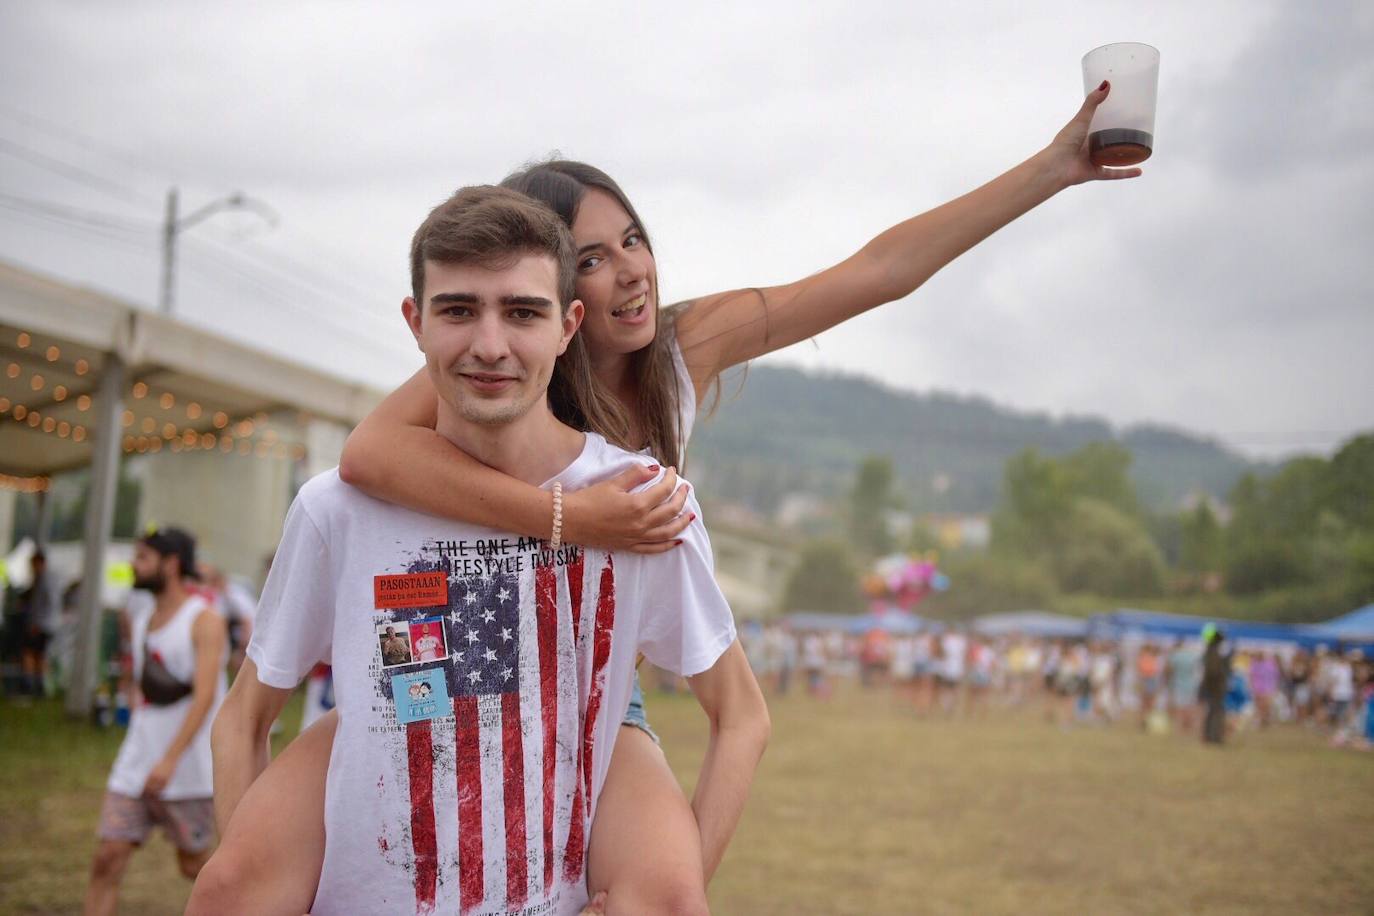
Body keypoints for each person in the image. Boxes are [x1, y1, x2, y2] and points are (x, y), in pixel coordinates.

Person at [194, 84, 1138, 911]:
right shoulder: (498, 359)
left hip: (594, 684)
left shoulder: (680, 352)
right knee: (267, 871)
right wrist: (574, 522)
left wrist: (1053, 169)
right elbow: (366, 458)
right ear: (559, 283)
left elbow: (877, 274)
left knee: (664, 884)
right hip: (460, 638)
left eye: (633, 238)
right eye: (595, 256)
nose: (631, 268)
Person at [191, 186, 768, 916]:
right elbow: (245, 719)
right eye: (458, 309)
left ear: (568, 327)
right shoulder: (335, 511)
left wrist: (686, 880)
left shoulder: (640, 507)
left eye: (523, 312)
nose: (490, 345)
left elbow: (741, 716)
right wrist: (247, 862)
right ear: (416, 322)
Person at [83, 528, 226, 916]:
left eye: (144, 557)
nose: (134, 563)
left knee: (195, 867)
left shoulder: (204, 620)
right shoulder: (142, 614)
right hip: (136, 763)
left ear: (172, 564)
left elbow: (206, 696)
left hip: (187, 770)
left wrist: (169, 759)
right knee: (108, 857)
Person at [14, 550, 59, 699]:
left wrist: (38, 623)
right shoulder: (41, 579)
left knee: (33, 654)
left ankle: (31, 685)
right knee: (38, 655)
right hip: (43, 624)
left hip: (42, 625)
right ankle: (37, 686)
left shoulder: (45, 579)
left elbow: (49, 603)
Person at [1199, 629, 1231, 745]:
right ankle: (1214, 737)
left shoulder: (1210, 652)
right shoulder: (1214, 652)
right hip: (1216, 688)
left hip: (1212, 687)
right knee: (1216, 711)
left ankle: (1210, 736)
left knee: (1212, 711)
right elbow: (1213, 672)